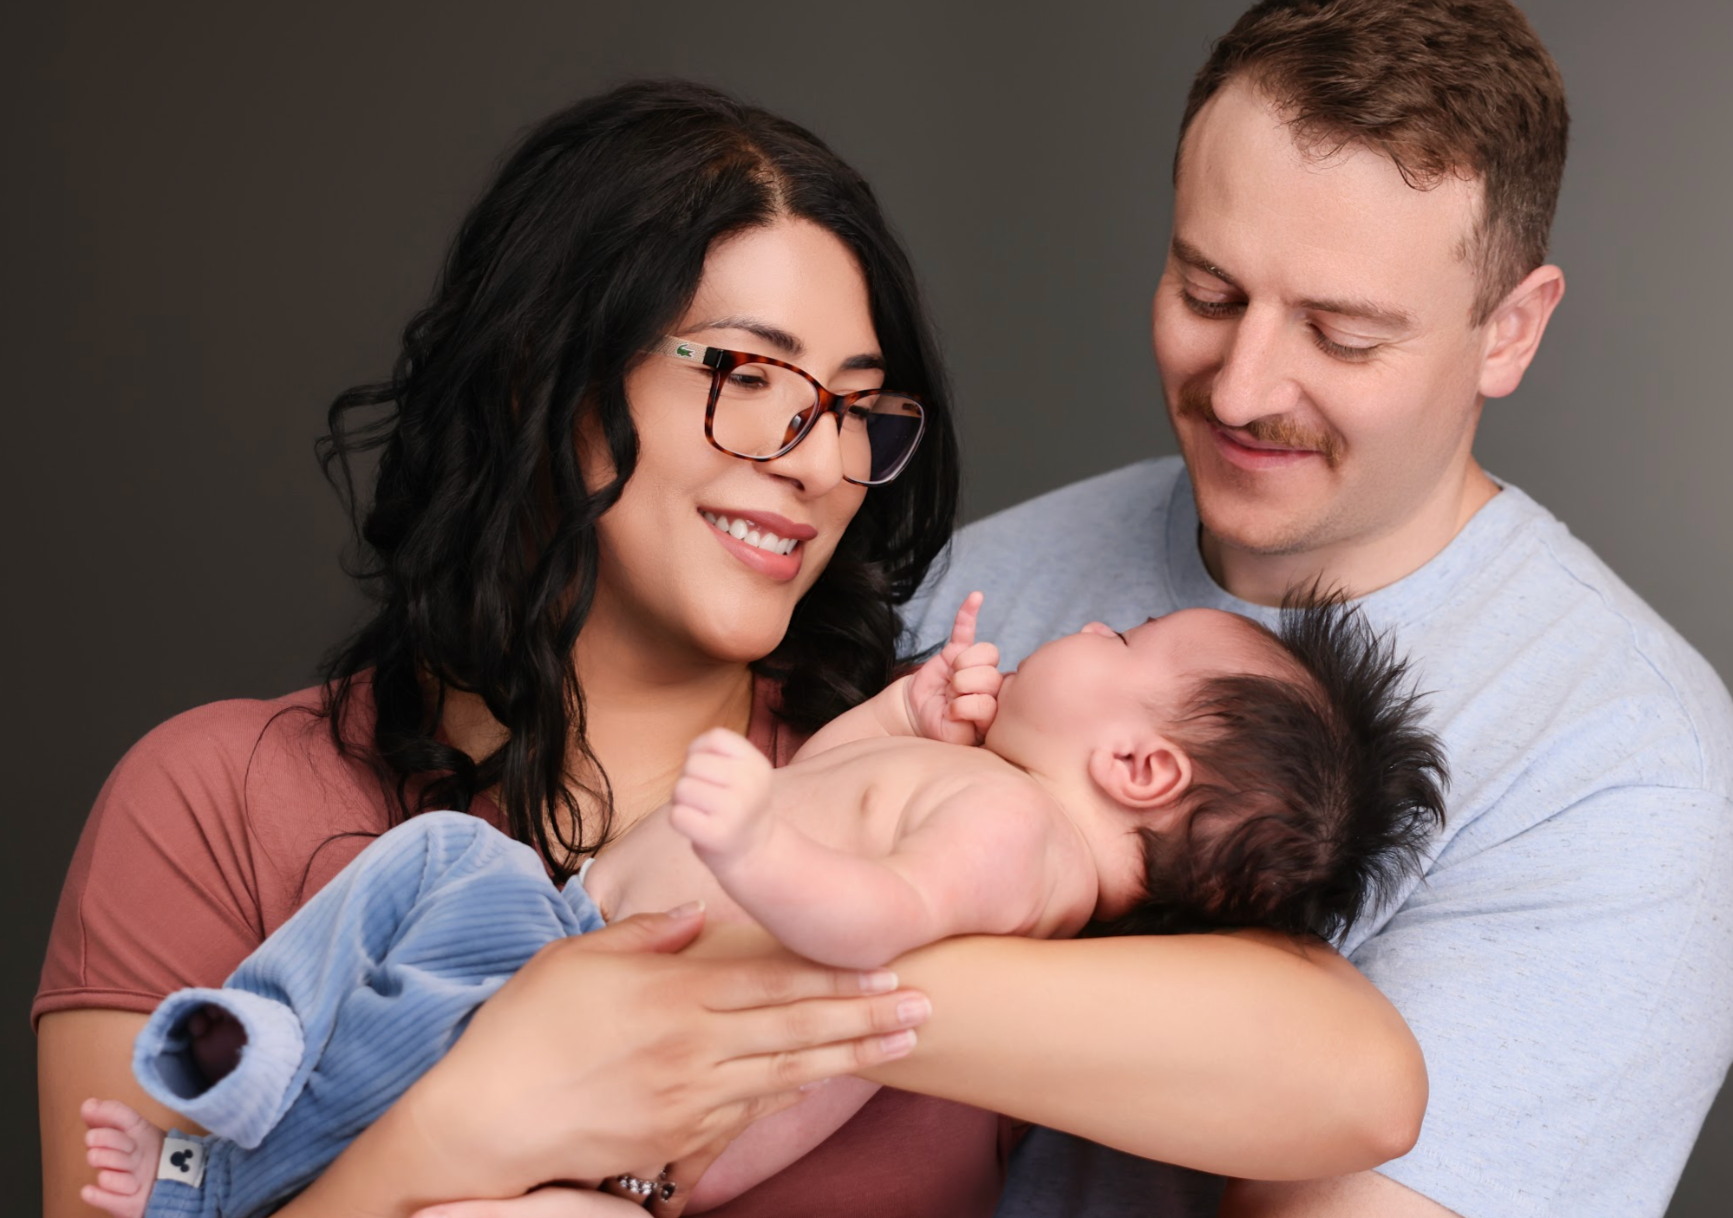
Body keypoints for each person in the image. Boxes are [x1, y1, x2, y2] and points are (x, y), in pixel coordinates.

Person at [39, 78, 1430, 1218]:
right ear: (552, 375)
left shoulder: (913, 804)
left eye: (856, 410)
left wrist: (768, 990)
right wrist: (461, 1125)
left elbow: (1358, 1082)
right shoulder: (218, 794)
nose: (816, 458)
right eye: (748, 375)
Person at [909, 2, 1733, 1216]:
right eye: (1205, 289)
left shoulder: (1626, 769)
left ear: (1507, 331)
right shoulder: (991, 567)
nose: (1240, 387)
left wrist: (781, 978)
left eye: (1340, 336)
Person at [77, 590, 1447, 1218]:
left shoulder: (1014, 836)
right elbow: (851, 786)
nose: (1087, 627)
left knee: (430, 941)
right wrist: (910, 708)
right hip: (567, 962)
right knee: (436, 883)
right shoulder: (981, 787)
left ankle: (220, 1146)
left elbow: (875, 912)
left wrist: (753, 855)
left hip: (619, 1092)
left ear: (1140, 764)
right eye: (746, 373)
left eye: (1125, 643)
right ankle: (227, 1121)